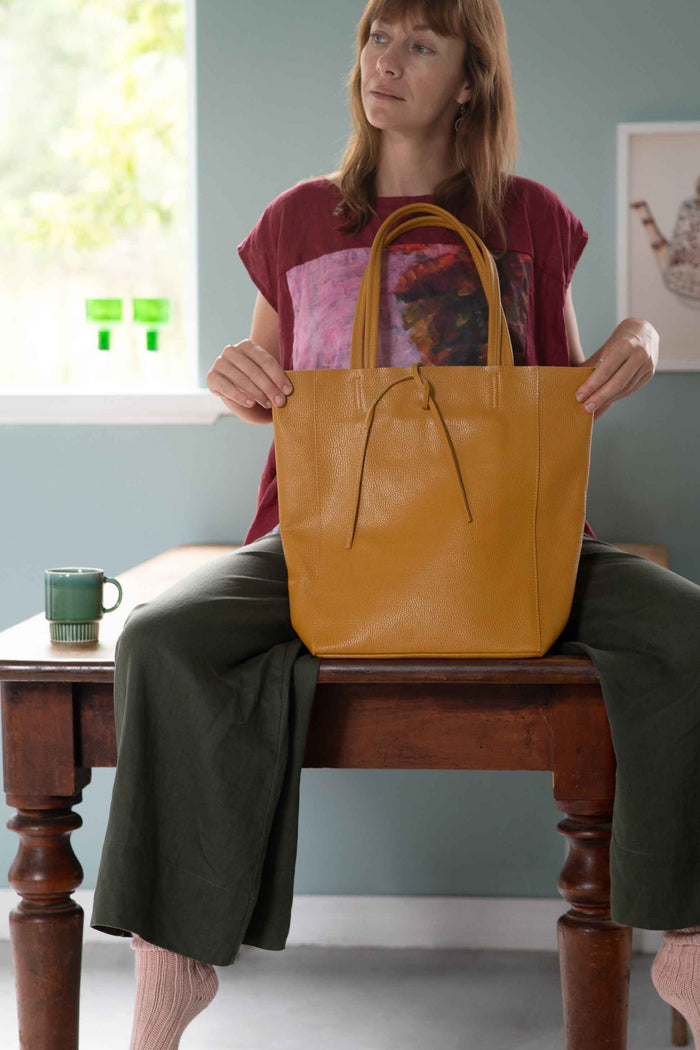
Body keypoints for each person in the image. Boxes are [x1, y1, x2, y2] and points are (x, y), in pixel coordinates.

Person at [89, 2, 700, 1048]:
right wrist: (228, 379)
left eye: (422, 44)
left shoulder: (534, 219)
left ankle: (687, 938)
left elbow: (558, 396)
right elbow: (264, 390)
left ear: (469, 80)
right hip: (324, 539)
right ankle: (174, 959)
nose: (388, 62)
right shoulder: (294, 221)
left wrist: (637, 331)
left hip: (514, 537)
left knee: (688, 632)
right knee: (158, 638)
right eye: (378, 36)